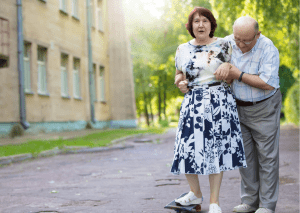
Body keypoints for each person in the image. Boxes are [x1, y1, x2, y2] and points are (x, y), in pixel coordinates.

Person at [177, 16, 281, 213]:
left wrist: (236, 72)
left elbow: (268, 83)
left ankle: (266, 205)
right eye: (237, 39)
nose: (240, 45)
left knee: (267, 157)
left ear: (257, 35)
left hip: (263, 107)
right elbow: (198, 67)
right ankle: (250, 202)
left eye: (246, 41)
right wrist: (182, 80)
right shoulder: (226, 43)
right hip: (236, 107)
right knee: (246, 157)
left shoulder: (268, 48)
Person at [170, 7, 247, 213]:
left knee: (215, 152)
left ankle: (214, 202)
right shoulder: (182, 49)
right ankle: (195, 194)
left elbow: (237, 72)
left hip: (218, 102)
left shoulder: (225, 45)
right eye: (196, 21)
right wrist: (180, 82)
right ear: (191, 26)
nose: (201, 25)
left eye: (205, 21)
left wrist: (229, 69)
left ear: (211, 24)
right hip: (192, 103)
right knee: (187, 151)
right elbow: (178, 73)